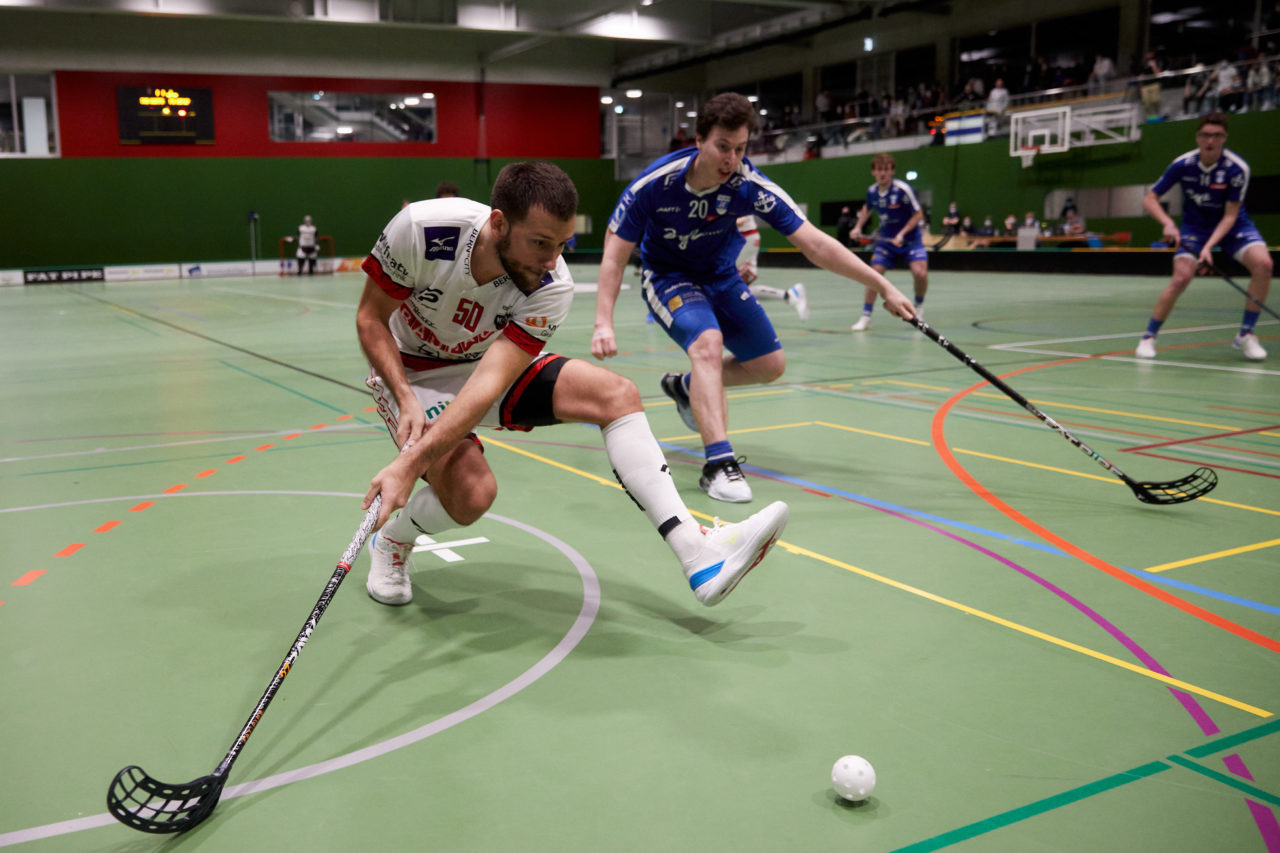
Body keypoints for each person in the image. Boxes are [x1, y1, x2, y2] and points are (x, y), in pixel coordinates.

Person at [357, 161, 789, 608]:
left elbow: (488, 384)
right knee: (472, 496)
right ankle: (393, 539)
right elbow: (370, 318)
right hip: (412, 370)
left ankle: (696, 552)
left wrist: (410, 464)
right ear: (499, 223)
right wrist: (405, 397)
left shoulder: (551, 283)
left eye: (562, 244)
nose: (551, 261)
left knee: (616, 395)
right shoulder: (423, 229)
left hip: (483, 363)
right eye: (540, 243)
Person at [591, 92, 913, 503]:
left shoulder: (748, 186)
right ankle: (718, 465)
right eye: (723, 147)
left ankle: (687, 387)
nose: (732, 159)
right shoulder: (655, 185)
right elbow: (615, 254)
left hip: (720, 275)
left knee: (769, 365)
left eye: (740, 149)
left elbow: (815, 244)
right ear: (699, 140)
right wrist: (603, 322)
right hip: (668, 277)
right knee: (707, 344)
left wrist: (884, 286)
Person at [1135, 112, 1271, 361]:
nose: (1211, 141)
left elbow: (1230, 216)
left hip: (1233, 226)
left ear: (1224, 138)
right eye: (1206, 135)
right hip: (1194, 228)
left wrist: (1208, 248)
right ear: (1198, 137)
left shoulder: (1237, 169)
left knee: (1264, 264)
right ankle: (1148, 337)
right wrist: (1168, 224)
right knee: (1181, 278)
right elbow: (1150, 198)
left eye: (1217, 136)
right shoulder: (1183, 164)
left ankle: (1246, 334)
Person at [849, 153, 929, 331]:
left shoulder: (903, 189)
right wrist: (858, 227)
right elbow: (867, 209)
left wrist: (902, 234)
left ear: (892, 171)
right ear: (873, 172)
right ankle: (866, 317)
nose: (882, 173)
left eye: (886, 169)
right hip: (886, 241)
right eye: (879, 170)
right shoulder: (872, 192)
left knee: (920, 273)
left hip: (910, 240)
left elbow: (918, 214)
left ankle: (919, 308)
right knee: (873, 274)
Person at [735, 215, 808, 321]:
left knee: (733, 286)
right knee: (737, 288)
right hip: (738, 239)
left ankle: (790, 295)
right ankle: (789, 295)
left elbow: (741, 220)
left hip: (745, 238)